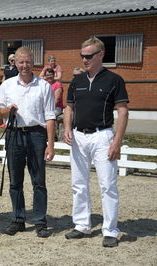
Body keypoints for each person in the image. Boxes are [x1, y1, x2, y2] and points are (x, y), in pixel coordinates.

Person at [63, 37, 129, 248]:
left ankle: (110, 230)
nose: (84, 60)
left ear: (101, 55)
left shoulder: (114, 80)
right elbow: (69, 108)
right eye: (82, 56)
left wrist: (117, 142)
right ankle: (81, 225)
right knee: (78, 183)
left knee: (107, 184)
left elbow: (122, 110)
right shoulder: (77, 81)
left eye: (89, 56)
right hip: (78, 136)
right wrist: (66, 128)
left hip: (102, 136)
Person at [0, 46, 56, 238]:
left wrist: (50, 144)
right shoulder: (7, 85)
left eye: (28, 62)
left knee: (38, 181)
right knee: (15, 181)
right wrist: (7, 111)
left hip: (37, 135)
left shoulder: (44, 86)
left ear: (33, 62)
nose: (24, 65)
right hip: (14, 135)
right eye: (20, 62)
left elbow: (50, 116)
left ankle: (40, 221)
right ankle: (18, 219)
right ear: (15, 63)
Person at [0, 54, 19, 127]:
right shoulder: (6, 68)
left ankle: (12, 120)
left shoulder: (17, 68)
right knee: (5, 103)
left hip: (14, 87)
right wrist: (2, 84)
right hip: (7, 86)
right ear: (9, 60)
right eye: (11, 60)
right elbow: (4, 76)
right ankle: (4, 122)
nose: (13, 61)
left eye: (14, 59)